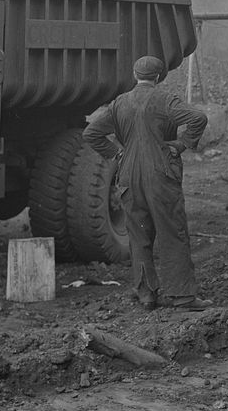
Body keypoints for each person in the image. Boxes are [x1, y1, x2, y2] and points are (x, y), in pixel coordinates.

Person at [82, 55, 209, 312]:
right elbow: (198, 118)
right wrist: (182, 145)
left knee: (139, 235)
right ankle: (182, 296)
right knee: (172, 232)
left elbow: (91, 133)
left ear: (134, 74)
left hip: (128, 174)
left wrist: (116, 153)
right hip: (160, 173)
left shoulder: (120, 103)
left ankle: (146, 295)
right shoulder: (165, 99)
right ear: (160, 76)